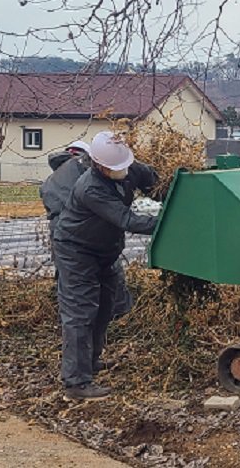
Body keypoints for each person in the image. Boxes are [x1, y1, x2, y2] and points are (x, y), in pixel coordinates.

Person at [53, 131, 159, 400]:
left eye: (125, 165)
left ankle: (91, 362)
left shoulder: (127, 167)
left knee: (105, 305)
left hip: (105, 251)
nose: (123, 171)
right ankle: (76, 383)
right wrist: (170, 222)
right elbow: (127, 220)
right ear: (99, 165)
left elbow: (156, 183)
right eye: (115, 168)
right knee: (80, 311)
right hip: (76, 251)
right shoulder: (90, 188)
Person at [40, 139, 133, 317]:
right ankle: (118, 314)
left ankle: (67, 316)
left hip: (60, 236)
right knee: (109, 273)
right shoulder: (85, 173)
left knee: (69, 281)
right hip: (87, 234)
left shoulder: (52, 179)